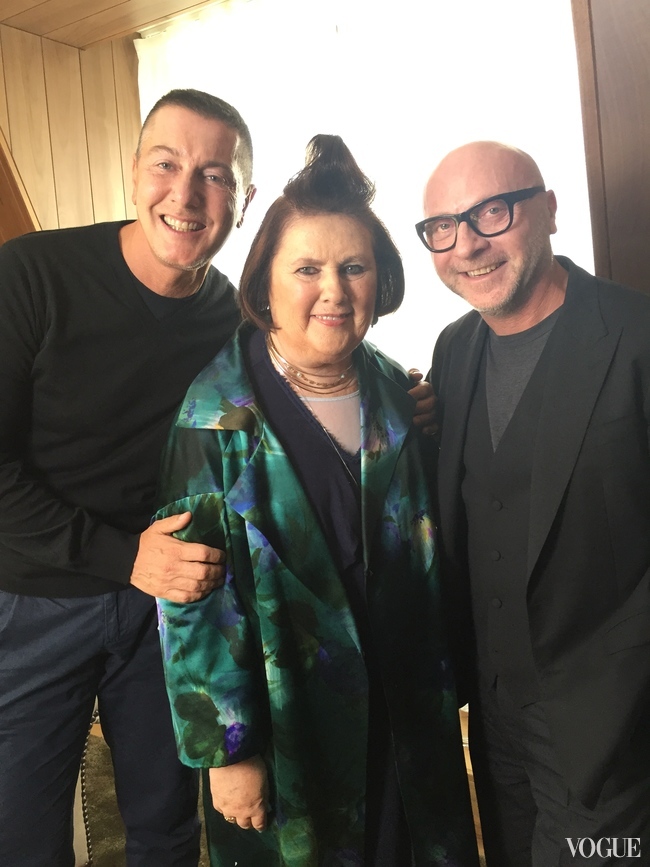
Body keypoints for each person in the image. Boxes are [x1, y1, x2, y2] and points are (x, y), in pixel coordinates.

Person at [0, 88, 434, 865]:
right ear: (134, 168)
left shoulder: (233, 323)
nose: (187, 194)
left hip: (170, 599)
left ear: (244, 199)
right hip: (38, 596)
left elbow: (315, 359)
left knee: (167, 826)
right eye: (167, 164)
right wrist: (124, 556)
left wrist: (405, 395)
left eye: (215, 175)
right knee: (21, 829)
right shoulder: (32, 274)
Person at [155, 134, 479, 867]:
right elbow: (193, 599)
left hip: (406, 713)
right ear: (265, 283)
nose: (333, 290)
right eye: (307, 268)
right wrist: (227, 752)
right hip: (287, 726)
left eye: (353, 267)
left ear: (380, 280)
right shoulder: (214, 415)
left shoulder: (399, 391)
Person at [417, 140, 650, 866]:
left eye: (492, 212)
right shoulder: (453, 350)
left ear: (548, 210)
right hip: (491, 716)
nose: (468, 245)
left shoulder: (639, 336)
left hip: (610, 722)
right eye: (444, 227)